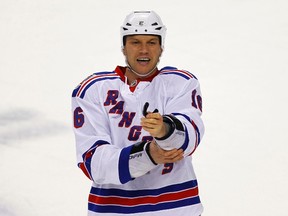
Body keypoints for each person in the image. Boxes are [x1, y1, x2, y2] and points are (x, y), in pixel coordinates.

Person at [71, 10, 204, 216]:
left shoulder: (181, 83)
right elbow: (93, 163)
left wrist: (165, 129)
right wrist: (149, 154)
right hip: (113, 211)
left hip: (176, 209)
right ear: (123, 47)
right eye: (135, 42)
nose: (144, 50)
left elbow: (189, 138)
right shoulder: (93, 90)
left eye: (151, 42)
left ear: (161, 47)